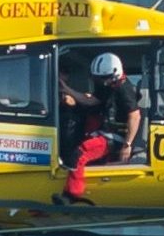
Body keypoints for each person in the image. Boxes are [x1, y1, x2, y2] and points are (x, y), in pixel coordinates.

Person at [59, 52, 141, 202]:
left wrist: (127, 145)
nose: (101, 82)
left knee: (80, 154)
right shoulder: (107, 85)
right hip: (104, 133)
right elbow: (90, 101)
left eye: (103, 78)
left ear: (114, 74)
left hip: (115, 138)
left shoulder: (125, 89)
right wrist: (66, 89)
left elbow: (135, 116)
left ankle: (72, 193)